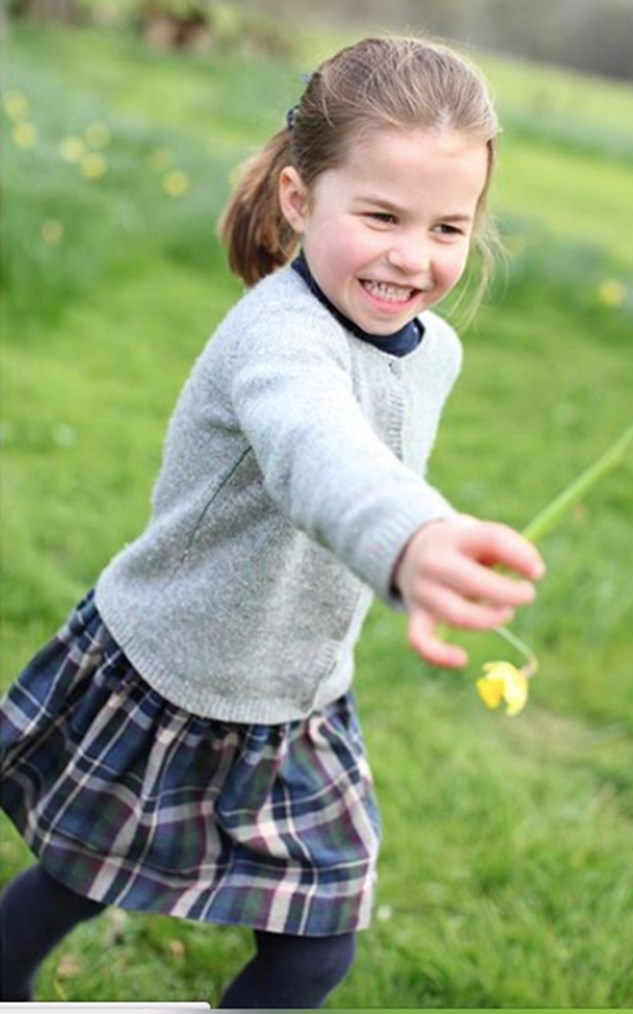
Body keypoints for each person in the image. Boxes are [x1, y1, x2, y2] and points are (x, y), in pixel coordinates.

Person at [0, 35, 545, 1009]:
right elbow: (317, 450)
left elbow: (370, 456)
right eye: (380, 214)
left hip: (298, 699)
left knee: (314, 952)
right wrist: (411, 541)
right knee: (79, 879)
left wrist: (420, 534)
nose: (411, 257)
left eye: (448, 228)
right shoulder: (277, 336)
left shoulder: (437, 351)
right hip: (170, 671)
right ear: (300, 199)